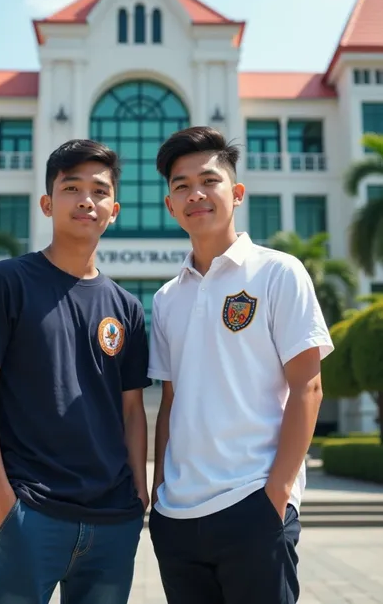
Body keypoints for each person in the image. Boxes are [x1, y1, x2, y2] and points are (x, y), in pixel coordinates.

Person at [0, 139, 151, 604]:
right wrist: (3, 502)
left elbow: (132, 409)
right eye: (72, 187)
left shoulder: (126, 307)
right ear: (47, 203)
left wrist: (137, 494)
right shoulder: (6, 282)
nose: (87, 200)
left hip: (112, 522)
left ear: (114, 209)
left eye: (99, 191)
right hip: (30, 514)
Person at [147, 126, 334, 604]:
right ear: (170, 205)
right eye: (181, 186)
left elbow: (307, 387)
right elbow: (170, 402)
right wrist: (159, 496)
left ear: (237, 192)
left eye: (209, 180)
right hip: (177, 519)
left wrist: (277, 495)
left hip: (254, 505)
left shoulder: (278, 271)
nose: (196, 194)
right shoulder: (167, 298)